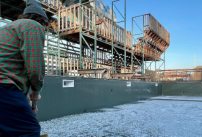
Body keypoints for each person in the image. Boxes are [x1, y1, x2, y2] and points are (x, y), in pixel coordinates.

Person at [0, 0, 48, 136]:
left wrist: (25, 103)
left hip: (5, 87)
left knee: (6, 131)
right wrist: (36, 91)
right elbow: (34, 66)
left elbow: (11, 66)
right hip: (3, 85)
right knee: (28, 131)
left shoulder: (7, 28)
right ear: (42, 20)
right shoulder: (33, 26)